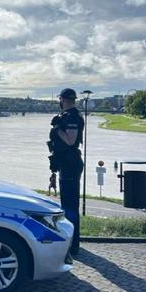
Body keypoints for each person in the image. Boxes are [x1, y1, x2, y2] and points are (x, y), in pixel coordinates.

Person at [47, 88, 84, 256]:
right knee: (67, 205)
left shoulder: (72, 117)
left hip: (70, 165)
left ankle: (72, 244)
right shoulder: (67, 116)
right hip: (66, 164)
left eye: (60, 99)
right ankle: (71, 241)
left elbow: (70, 141)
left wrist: (57, 129)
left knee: (70, 207)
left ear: (62, 99)